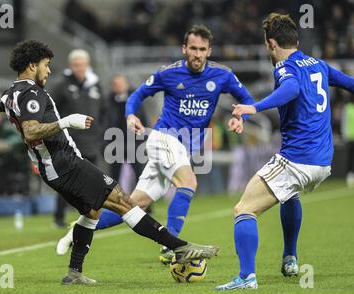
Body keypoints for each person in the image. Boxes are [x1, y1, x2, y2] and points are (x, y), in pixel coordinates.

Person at [0, 40, 220, 285]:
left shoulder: (11, 93)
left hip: (53, 167)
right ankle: (179, 247)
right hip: (64, 163)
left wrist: (9, 106)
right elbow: (31, 131)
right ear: (32, 65)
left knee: (92, 212)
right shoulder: (31, 92)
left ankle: (74, 273)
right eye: (46, 65)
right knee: (123, 200)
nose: (49, 71)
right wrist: (66, 122)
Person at [57, 25, 254, 264]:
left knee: (132, 205)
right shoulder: (167, 73)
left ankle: (78, 228)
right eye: (193, 48)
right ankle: (172, 247)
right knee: (189, 182)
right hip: (164, 138)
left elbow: (247, 100)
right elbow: (136, 95)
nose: (197, 54)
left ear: (209, 51)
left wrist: (239, 117)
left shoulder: (222, 75)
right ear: (184, 49)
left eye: (202, 49)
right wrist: (130, 115)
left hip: (185, 148)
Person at [215, 13, 354, 290]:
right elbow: (351, 83)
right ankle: (290, 258)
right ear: (296, 39)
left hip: (298, 158)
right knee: (288, 194)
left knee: (243, 209)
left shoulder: (284, 68)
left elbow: (291, 89)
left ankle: (246, 277)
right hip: (322, 162)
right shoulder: (318, 64)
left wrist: (254, 107)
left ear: (271, 44)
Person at [50, 49, 106, 228]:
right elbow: (52, 110)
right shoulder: (62, 86)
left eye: (81, 65)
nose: (78, 68)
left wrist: (100, 131)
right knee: (67, 180)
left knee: (93, 180)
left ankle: (89, 217)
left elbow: (104, 112)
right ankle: (59, 217)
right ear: (70, 66)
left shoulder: (95, 86)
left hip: (92, 142)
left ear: (87, 65)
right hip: (70, 142)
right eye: (75, 65)